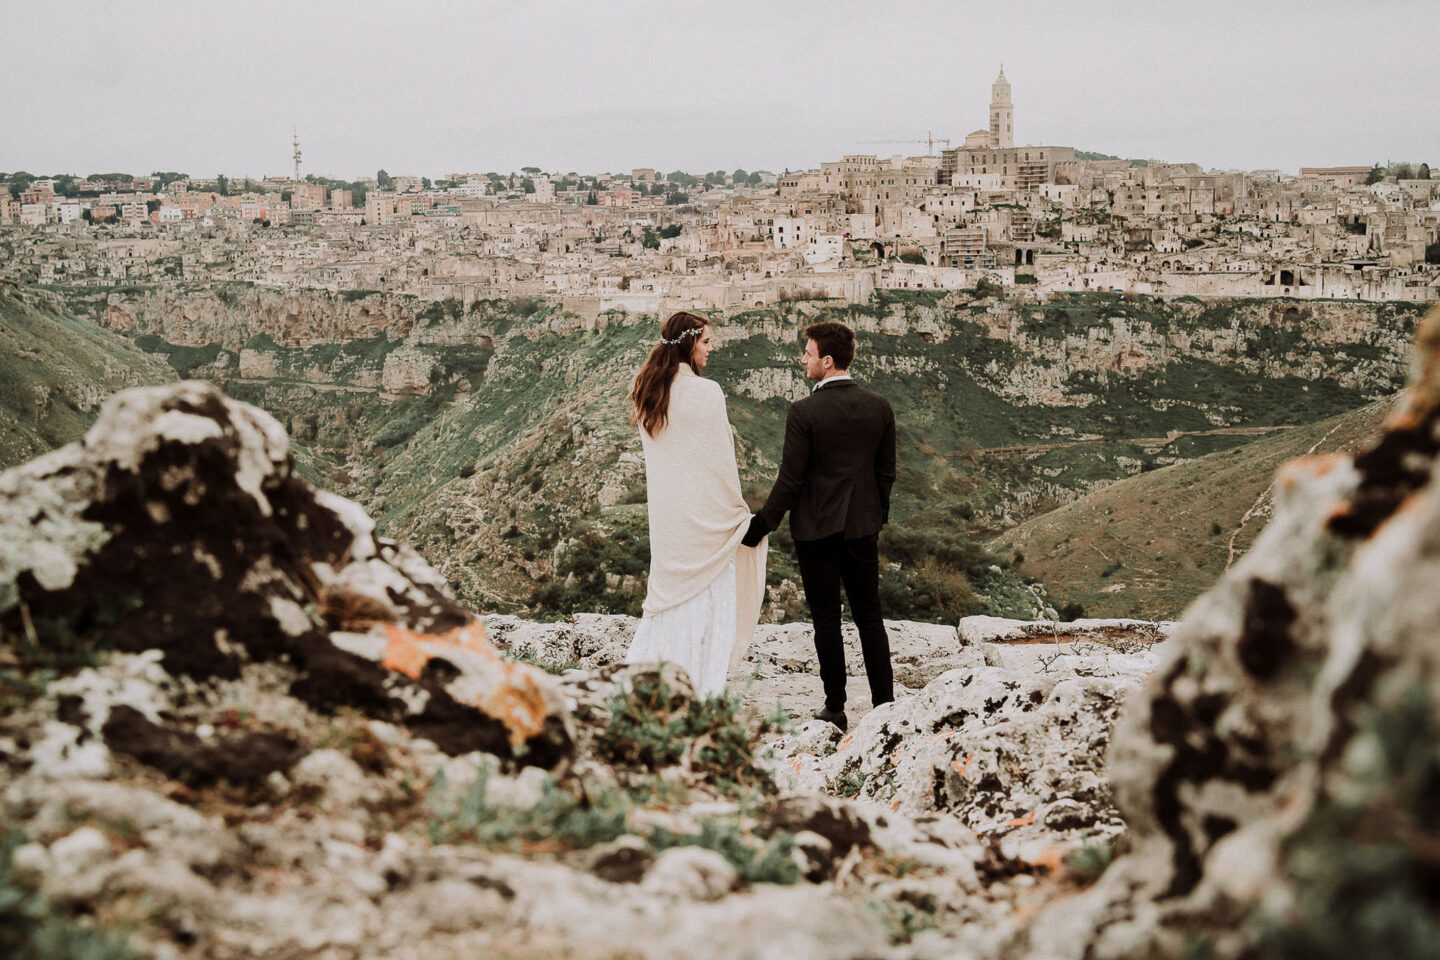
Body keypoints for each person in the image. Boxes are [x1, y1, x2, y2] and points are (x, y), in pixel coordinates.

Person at [742, 321, 896, 732]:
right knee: (870, 616)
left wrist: (760, 526)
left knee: (826, 619)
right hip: (862, 527)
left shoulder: (804, 412)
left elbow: (790, 480)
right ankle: (885, 705)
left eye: (807, 353)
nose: (803, 359)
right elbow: (886, 474)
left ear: (827, 362)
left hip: (815, 532)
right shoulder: (879, 406)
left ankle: (836, 707)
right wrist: (875, 516)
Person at [623, 311, 768, 697]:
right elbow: (721, 464)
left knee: (671, 606)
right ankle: (699, 688)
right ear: (689, 344)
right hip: (705, 524)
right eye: (705, 341)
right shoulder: (707, 393)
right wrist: (737, 516)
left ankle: (652, 684)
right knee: (707, 608)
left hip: (670, 524)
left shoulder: (647, 390)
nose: (711, 347)